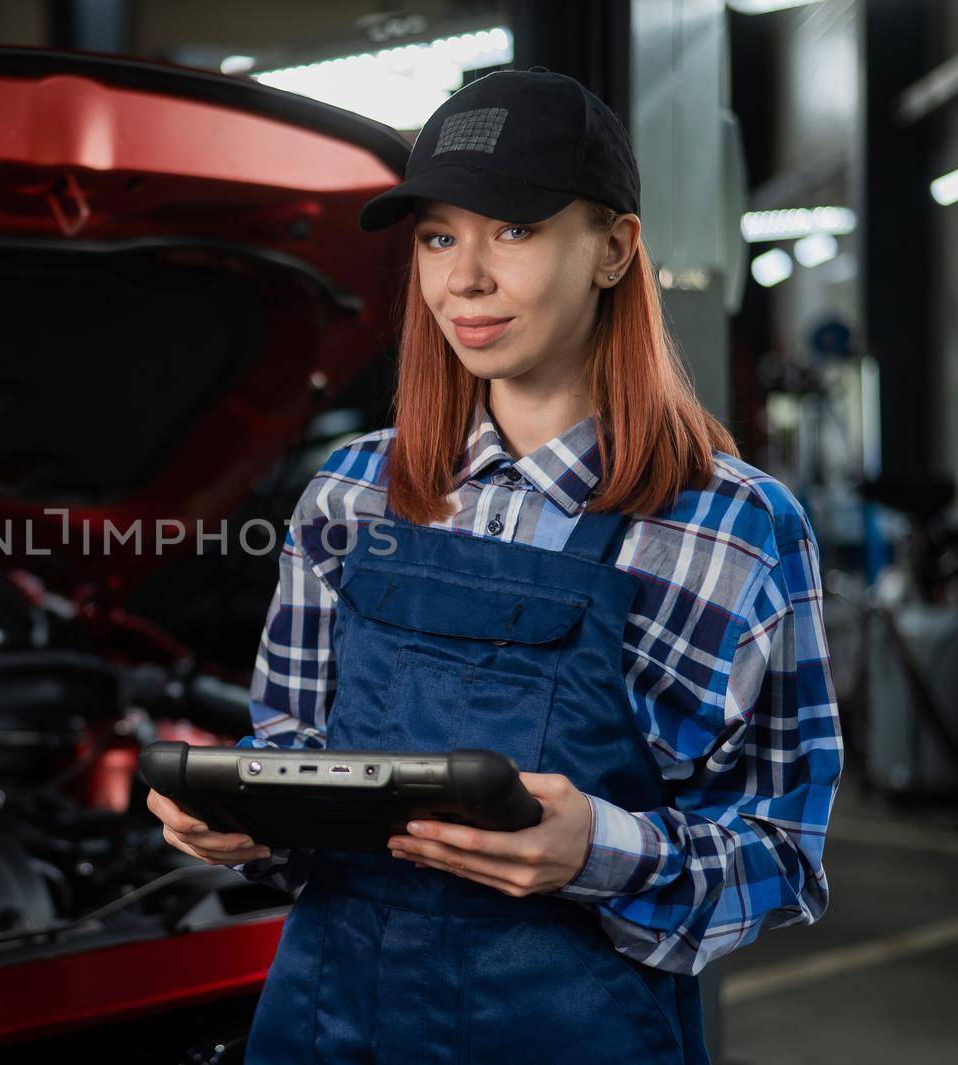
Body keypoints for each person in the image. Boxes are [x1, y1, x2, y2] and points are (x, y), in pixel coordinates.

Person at [145, 67, 841, 1064]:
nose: (462, 279)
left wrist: (598, 851)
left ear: (613, 249)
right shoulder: (349, 495)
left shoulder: (731, 528)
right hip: (327, 1024)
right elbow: (292, 746)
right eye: (438, 235)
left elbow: (782, 854)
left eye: (512, 230)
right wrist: (241, 817)